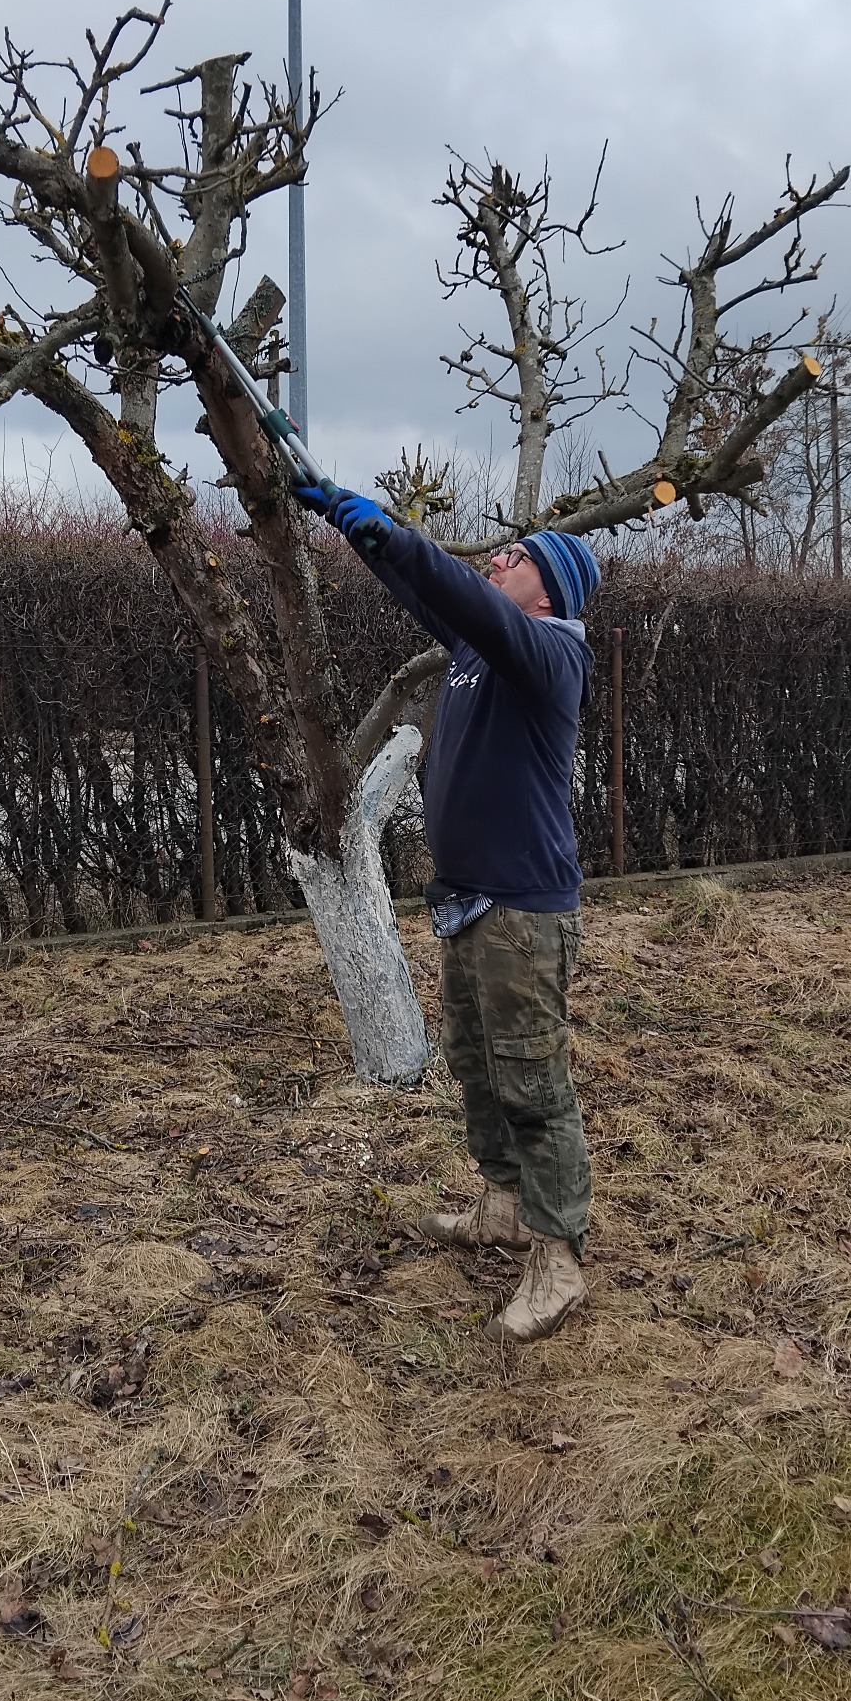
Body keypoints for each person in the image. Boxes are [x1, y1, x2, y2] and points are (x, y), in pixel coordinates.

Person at [297, 480, 600, 1342]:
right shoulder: (477, 652)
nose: (498, 558)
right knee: (474, 1063)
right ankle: (501, 1205)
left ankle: (560, 1253)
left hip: (523, 912)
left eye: (520, 557)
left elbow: (463, 591)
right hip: (468, 904)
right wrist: (357, 529)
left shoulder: (550, 653)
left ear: (550, 592)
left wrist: (396, 528)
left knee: (533, 1080)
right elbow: (429, 587)